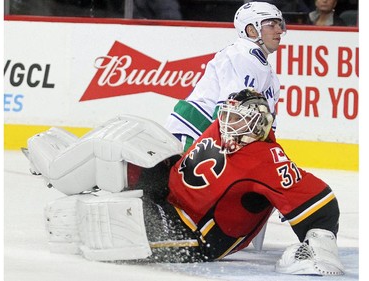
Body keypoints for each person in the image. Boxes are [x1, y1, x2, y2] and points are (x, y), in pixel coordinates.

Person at [24, 89, 344, 275]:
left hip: (194, 232)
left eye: (237, 119)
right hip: (169, 191)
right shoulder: (224, 128)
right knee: (120, 140)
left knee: (88, 222)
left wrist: (318, 244)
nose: (226, 124)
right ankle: (61, 162)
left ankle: (60, 167)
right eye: (226, 116)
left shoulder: (267, 159)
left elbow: (318, 200)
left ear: (258, 124)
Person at [164, 1, 286, 151]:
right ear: (252, 30)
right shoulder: (238, 56)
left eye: (280, 25)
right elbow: (228, 113)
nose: (279, 30)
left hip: (209, 140)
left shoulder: (271, 78)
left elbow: (266, 129)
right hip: (191, 133)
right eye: (272, 25)